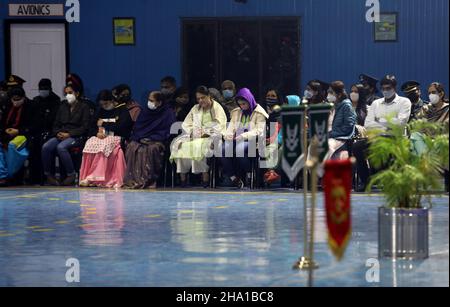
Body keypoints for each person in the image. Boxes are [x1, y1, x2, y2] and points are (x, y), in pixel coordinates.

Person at [352, 75, 412, 191]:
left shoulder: (404, 102)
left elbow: (400, 123)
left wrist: (379, 120)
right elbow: (368, 124)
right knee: (357, 146)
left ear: (394, 87)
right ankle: (366, 181)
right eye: (383, 88)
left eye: (388, 88)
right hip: (376, 137)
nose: (385, 91)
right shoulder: (376, 103)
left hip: (396, 138)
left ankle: (390, 181)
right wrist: (388, 122)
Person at [170, 86, 227, 188]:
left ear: (209, 96)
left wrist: (205, 132)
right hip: (195, 135)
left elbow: (220, 125)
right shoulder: (195, 108)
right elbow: (186, 124)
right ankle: (183, 178)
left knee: (199, 145)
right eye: (198, 99)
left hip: (212, 136)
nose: (200, 100)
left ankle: (205, 177)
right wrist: (193, 132)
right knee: (179, 144)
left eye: (203, 98)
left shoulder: (217, 108)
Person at [79, 90, 133, 188]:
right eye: (102, 104)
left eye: (106, 103)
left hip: (116, 136)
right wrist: (97, 133)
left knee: (104, 146)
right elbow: (91, 126)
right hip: (100, 136)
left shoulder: (122, 110)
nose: (104, 106)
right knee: (89, 143)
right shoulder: (100, 110)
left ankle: (96, 177)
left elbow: (121, 127)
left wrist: (104, 124)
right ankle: (87, 176)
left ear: (112, 100)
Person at [41, 83, 91, 186]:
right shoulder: (62, 106)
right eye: (66, 93)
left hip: (75, 136)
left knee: (61, 147)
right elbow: (56, 124)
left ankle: (71, 174)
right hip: (61, 135)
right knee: (46, 147)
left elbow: (84, 127)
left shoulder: (84, 107)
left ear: (77, 93)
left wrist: (69, 134)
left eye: (70, 93)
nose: (68, 95)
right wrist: (57, 133)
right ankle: (49, 175)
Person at [124, 91, 176, 189]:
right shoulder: (145, 111)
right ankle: (132, 180)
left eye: (152, 100)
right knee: (132, 146)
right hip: (141, 139)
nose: (149, 102)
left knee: (152, 149)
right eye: (148, 100)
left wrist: (152, 138)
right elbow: (138, 127)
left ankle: (148, 180)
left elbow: (167, 131)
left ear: (159, 102)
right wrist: (141, 138)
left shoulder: (168, 113)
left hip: (157, 141)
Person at [221, 88, 269, 189]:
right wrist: (228, 135)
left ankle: (249, 174)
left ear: (249, 100)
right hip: (236, 139)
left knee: (240, 149)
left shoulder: (259, 113)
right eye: (240, 104)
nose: (242, 106)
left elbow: (259, 131)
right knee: (222, 149)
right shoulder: (236, 112)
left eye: (244, 104)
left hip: (253, 140)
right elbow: (231, 127)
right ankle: (234, 178)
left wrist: (243, 136)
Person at [28, 78, 61, 184]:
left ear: (50, 88)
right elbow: (33, 118)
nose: (43, 90)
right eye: (41, 88)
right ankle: (35, 177)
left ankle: (47, 175)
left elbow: (54, 118)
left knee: (46, 146)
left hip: (50, 131)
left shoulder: (56, 100)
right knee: (33, 147)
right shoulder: (36, 100)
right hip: (37, 131)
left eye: (45, 88)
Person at [0, 87, 32, 186]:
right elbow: (2, 123)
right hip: (8, 133)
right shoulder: (8, 106)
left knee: (12, 145)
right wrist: (5, 130)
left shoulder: (30, 106)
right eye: (14, 99)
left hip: (23, 134)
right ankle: (2, 176)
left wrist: (18, 131)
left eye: (18, 99)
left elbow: (34, 126)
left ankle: (10, 174)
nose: (16, 101)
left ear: (23, 98)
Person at [325, 81, 357, 161]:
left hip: (341, 138)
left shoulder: (347, 106)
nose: (328, 94)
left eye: (331, 92)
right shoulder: (332, 106)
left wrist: (331, 134)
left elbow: (348, 127)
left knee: (327, 147)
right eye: (328, 92)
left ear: (339, 95)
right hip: (331, 136)